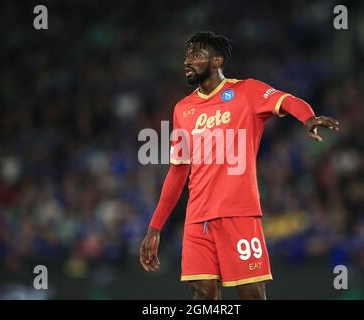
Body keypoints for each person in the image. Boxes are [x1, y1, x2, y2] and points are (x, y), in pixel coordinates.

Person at [139, 31, 340, 300]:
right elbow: (177, 172)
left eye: (196, 54)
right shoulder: (182, 109)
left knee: (251, 295)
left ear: (217, 60)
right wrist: (155, 229)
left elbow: (288, 100)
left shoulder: (247, 91)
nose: (187, 61)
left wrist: (308, 118)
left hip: (238, 215)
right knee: (202, 296)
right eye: (186, 55)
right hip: (197, 220)